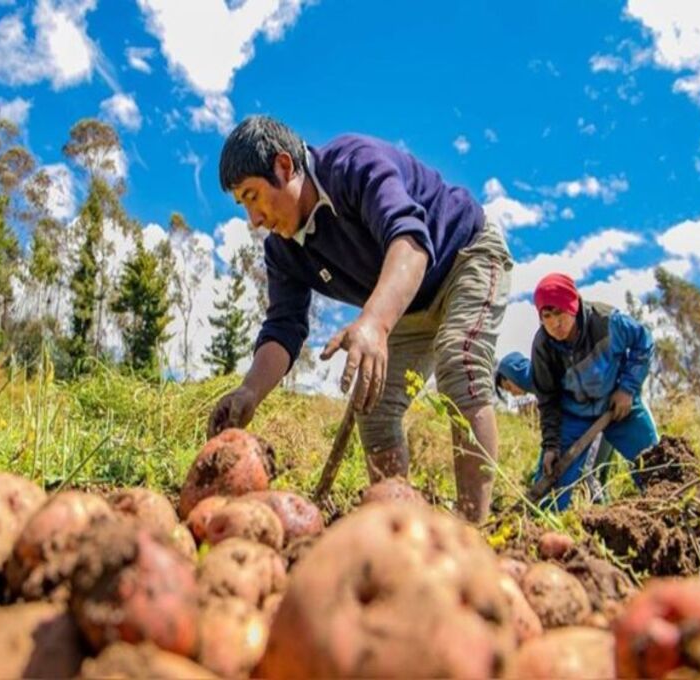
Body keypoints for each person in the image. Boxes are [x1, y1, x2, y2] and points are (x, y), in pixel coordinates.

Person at [207, 115, 514, 523]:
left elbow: (410, 242)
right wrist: (249, 391)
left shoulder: (355, 164)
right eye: (243, 205)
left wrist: (374, 323)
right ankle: (394, 527)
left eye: (253, 196)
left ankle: (474, 528)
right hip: (408, 303)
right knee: (374, 405)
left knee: (459, 361)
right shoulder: (283, 251)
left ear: (283, 167)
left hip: (464, 257)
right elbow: (284, 326)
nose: (254, 219)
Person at [530, 273, 659, 510]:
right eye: (546, 316)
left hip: (619, 405)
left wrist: (627, 389)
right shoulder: (543, 346)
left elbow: (644, 341)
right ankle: (540, 533)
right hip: (574, 417)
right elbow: (548, 399)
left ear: (573, 305)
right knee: (551, 491)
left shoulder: (607, 322)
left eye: (559, 313)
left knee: (655, 466)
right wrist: (551, 445)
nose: (553, 324)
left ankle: (672, 512)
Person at [495, 351, 616, 501]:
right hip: (604, 414)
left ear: (513, 374)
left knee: (588, 473)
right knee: (597, 473)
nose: (512, 394)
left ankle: (603, 516)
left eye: (508, 387)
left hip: (598, 417)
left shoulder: (544, 376)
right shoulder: (541, 380)